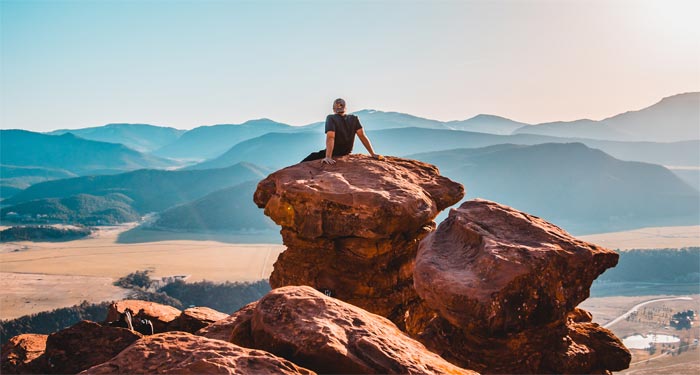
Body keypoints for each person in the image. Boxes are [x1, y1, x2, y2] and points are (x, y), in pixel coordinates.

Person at [301, 98, 382, 164]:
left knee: (309, 159)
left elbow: (331, 137)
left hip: (334, 152)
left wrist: (328, 157)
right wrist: (372, 154)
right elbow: (362, 136)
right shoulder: (354, 118)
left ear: (333, 109)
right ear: (345, 108)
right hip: (347, 152)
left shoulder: (331, 118)